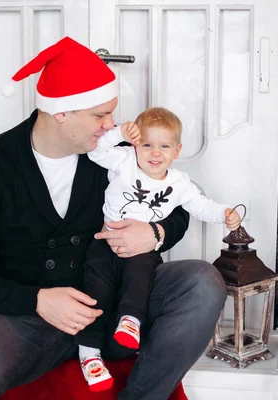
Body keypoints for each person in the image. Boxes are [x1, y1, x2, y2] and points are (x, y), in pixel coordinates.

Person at [0, 36, 227, 400]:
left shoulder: (114, 155)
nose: (111, 125)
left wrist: (154, 232)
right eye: (99, 115)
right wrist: (38, 300)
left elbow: (181, 202)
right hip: (28, 316)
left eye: (111, 113)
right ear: (62, 112)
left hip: (119, 298)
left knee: (202, 281)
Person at [73, 107, 241, 391]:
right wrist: (119, 134)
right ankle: (90, 356)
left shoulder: (179, 184)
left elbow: (200, 206)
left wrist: (225, 213)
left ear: (177, 151)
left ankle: (130, 322)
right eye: (147, 144)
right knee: (96, 292)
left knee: (139, 280)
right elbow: (97, 152)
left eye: (164, 146)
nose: (154, 153)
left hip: (141, 250)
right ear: (135, 144)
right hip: (104, 245)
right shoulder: (124, 161)